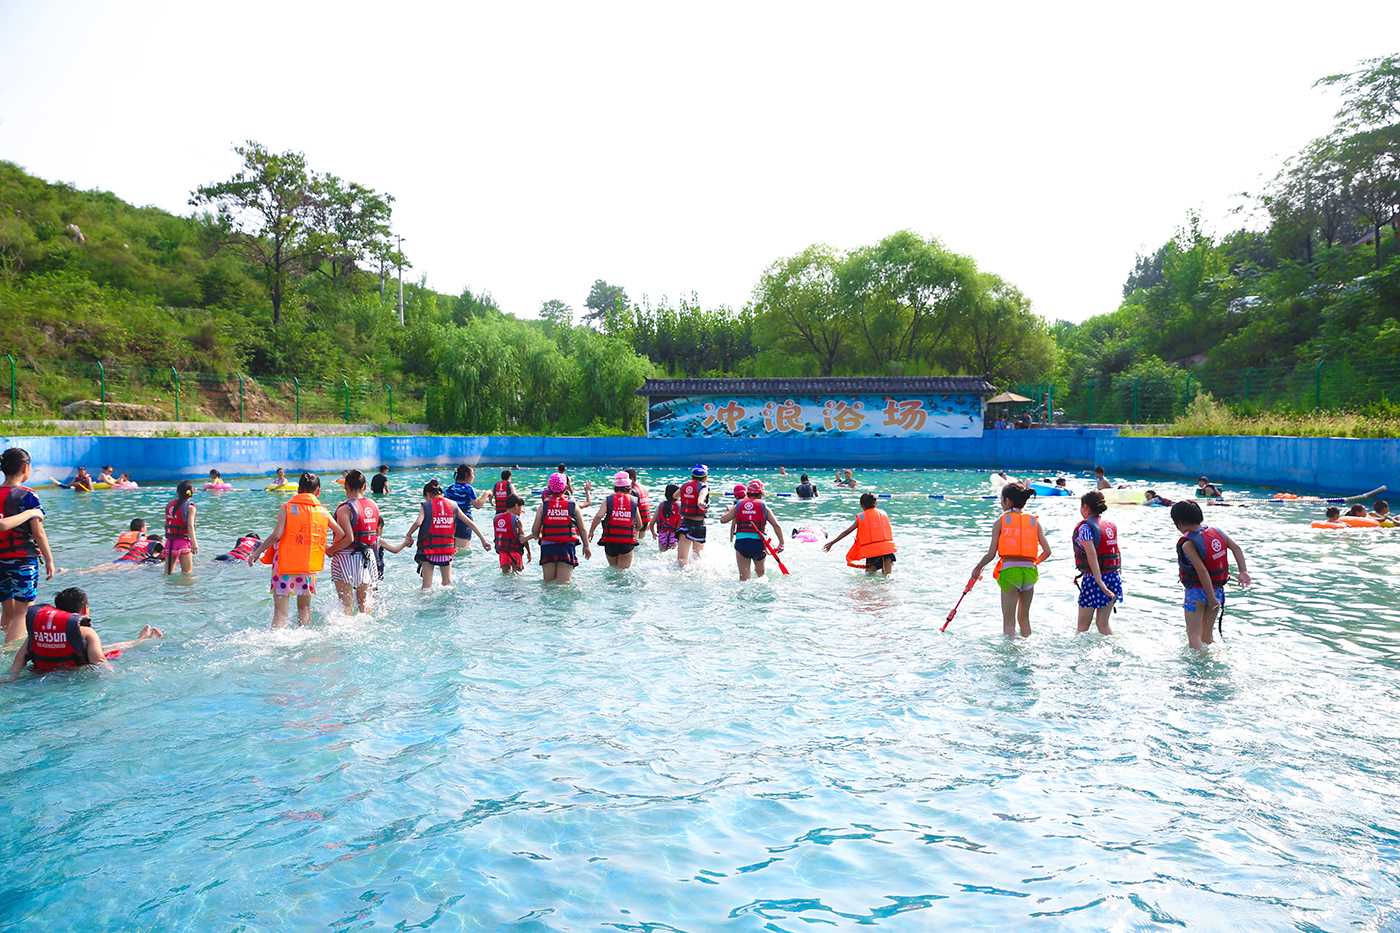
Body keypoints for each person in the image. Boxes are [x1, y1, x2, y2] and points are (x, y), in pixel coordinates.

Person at [6, 587, 162, 679]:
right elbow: (99, 663)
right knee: (114, 652)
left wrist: (10, 680)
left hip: (41, 675)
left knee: (102, 649)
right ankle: (140, 642)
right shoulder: (86, 631)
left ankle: (139, 640)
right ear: (85, 609)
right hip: (74, 675)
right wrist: (115, 678)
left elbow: (17, 663)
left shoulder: (37, 630)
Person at [247, 472, 337, 628]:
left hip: (284, 565)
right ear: (318, 492)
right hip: (307, 566)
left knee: (280, 613)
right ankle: (303, 636)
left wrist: (256, 553)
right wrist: (327, 549)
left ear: (298, 490)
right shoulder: (322, 511)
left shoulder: (287, 508)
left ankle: (276, 640)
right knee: (304, 608)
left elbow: (276, 536)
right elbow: (341, 533)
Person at [968, 482, 1051, 637]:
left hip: (1010, 573)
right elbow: (1047, 552)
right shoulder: (1034, 522)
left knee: (1009, 622)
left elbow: (991, 554)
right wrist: (1034, 563)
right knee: (1024, 618)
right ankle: (1027, 649)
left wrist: (977, 569)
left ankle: (1010, 657)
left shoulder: (1000, 522)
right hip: (1030, 573)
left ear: (1007, 501)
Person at [1171, 499, 1251, 650]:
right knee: (1207, 636)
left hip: (1197, 593)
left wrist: (1210, 597)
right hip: (1217, 590)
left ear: (1179, 523)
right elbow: (1236, 548)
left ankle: (1198, 668)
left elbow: (1202, 571)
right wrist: (1243, 571)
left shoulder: (1188, 543)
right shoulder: (1217, 531)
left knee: (1193, 634)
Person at [0, 449, 54, 642]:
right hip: (22, 560)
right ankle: (8, 653)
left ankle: (6, 640)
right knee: (23, 612)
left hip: (0, 561)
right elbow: (38, 532)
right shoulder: (28, 496)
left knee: (8, 610)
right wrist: (49, 559)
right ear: (25, 468)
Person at [407, 478, 491, 589]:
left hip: (428, 549)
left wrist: (408, 535)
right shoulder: (454, 505)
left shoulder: (425, 505)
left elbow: (418, 522)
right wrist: (483, 540)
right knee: (447, 583)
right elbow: (470, 523)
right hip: (446, 549)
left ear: (427, 494)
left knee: (426, 586)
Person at [324, 470, 381, 614]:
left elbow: (348, 538)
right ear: (365, 487)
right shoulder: (373, 505)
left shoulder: (345, 509)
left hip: (345, 558)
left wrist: (330, 550)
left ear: (345, 487)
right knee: (365, 602)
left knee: (346, 605)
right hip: (367, 558)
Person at [1073, 491, 1122, 635]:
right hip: (1114, 577)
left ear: (1085, 507)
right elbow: (1117, 552)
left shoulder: (1085, 528)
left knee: (1083, 625)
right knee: (1103, 623)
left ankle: (1080, 656)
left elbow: (1092, 555)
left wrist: (1100, 582)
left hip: (1094, 579)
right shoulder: (1110, 525)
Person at [531, 472, 591, 583]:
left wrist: (538, 536)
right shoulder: (573, 505)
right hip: (566, 547)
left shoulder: (544, 506)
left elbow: (534, 531)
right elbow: (582, 529)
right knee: (564, 584)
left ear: (549, 488)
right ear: (565, 488)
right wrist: (586, 546)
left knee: (548, 584)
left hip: (547, 547)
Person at [720, 480, 784, 580]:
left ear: (747, 494)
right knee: (761, 576)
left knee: (744, 579)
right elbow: (776, 525)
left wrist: (727, 511)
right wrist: (781, 543)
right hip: (759, 544)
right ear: (761, 495)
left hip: (742, 544)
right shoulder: (764, 507)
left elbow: (723, 520)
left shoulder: (738, 506)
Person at [825, 492, 897, 575]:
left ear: (862, 505)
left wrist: (831, 543)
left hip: (872, 551)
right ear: (876, 503)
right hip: (887, 549)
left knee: (869, 576)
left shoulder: (861, 518)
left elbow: (846, 532)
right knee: (887, 576)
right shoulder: (883, 514)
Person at [588, 471, 644, 569]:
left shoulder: (608, 500)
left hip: (610, 542)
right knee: (623, 572)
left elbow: (598, 516)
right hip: (627, 542)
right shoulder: (633, 501)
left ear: (615, 487)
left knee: (613, 569)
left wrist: (591, 532)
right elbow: (639, 525)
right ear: (629, 488)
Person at [444, 465, 486, 552]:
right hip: (464, 523)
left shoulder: (450, 488)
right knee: (462, 551)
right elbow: (477, 505)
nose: (473, 477)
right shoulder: (468, 489)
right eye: (473, 474)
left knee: (451, 551)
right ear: (467, 475)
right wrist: (486, 494)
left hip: (450, 522)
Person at [676, 464, 710, 568]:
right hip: (699, 526)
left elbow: (674, 496)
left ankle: (687, 570)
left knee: (682, 559)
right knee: (698, 560)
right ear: (706, 478)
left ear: (691, 476)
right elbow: (701, 496)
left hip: (685, 524)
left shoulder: (684, 485)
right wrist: (700, 503)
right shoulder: (704, 487)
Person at [163, 480, 198, 575]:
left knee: (167, 574)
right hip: (183, 543)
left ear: (178, 493)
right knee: (187, 574)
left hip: (169, 543)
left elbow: (166, 525)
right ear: (191, 494)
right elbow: (190, 526)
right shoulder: (190, 507)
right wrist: (194, 543)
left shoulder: (170, 505)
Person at [493, 495, 532, 574]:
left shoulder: (496, 518)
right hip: (515, 553)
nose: (521, 511)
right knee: (518, 575)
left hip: (503, 553)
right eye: (521, 508)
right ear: (516, 506)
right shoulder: (516, 520)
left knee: (505, 575)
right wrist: (529, 552)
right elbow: (522, 537)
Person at [650, 484, 682, 552]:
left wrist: (654, 533)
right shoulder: (680, 507)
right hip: (675, 536)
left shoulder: (661, 505)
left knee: (662, 554)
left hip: (662, 535)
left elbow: (651, 523)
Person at [626, 469, 652, 536]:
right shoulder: (644, 488)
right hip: (646, 519)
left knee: (635, 541)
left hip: (638, 520)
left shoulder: (632, 491)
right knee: (641, 540)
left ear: (631, 479)